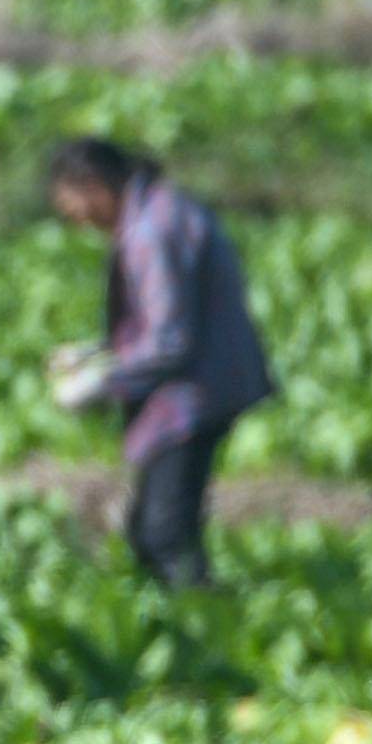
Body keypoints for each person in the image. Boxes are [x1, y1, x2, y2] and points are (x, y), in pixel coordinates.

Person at [45, 137, 275, 591]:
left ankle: (206, 630)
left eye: (76, 209)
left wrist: (101, 383)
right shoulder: (157, 209)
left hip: (194, 397)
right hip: (197, 387)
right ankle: (189, 624)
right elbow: (165, 321)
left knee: (165, 536)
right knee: (148, 532)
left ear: (93, 186)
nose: (80, 222)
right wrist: (93, 354)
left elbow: (170, 342)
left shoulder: (151, 231)